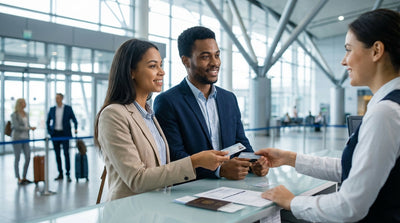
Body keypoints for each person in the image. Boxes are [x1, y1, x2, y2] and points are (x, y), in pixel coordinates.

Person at [257, 9, 400, 222]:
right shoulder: (389, 105)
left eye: (349, 50)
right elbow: (352, 169)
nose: (344, 61)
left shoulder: (385, 112)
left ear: (376, 50)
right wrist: (290, 158)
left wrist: (291, 201)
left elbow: (350, 206)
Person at [93, 39, 229, 201]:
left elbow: (160, 169)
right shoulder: (113, 115)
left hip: (155, 210)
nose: (161, 72)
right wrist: (194, 161)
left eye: (161, 65)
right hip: (129, 213)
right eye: (152, 66)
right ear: (131, 72)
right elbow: (137, 179)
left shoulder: (148, 114)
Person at [154, 26, 269, 180]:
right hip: (191, 189)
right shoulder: (168, 101)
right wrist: (219, 170)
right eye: (205, 57)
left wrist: (254, 162)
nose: (215, 63)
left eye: (217, 55)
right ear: (186, 61)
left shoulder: (229, 99)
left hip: (231, 186)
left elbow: (241, 142)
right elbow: (175, 155)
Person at [46, 93, 78, 182]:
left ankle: (68, 174)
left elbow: (74, 120)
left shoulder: (68, 108)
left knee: (66, 154)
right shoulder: (52, 109)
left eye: (58, 98)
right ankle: (60, 173)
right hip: (55, 134)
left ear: (62, 98)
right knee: (57, 155)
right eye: (56, 98)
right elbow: (47, 121)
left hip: (65, 134)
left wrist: (75, 129)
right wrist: (50, 132)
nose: (57, 99)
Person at [11, 98, 36, 185]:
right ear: (20, 104)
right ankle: (18, 178)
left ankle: (24, 176)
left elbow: (27, 125)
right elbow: (16, 127)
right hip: (17, 139)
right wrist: (28, 128)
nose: (25, 104)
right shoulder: (14, 115)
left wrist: (30, 127)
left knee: (28, 157)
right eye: (24, 103)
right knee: (17, 158)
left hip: (26, 138)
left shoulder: (26, 114)